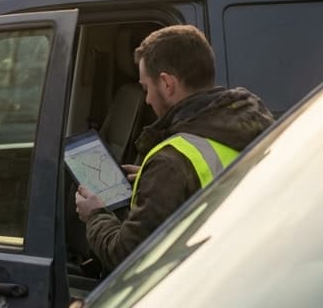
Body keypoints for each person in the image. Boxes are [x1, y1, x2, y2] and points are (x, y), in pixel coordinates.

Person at [75, 25, 273, 271]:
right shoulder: (253, 125)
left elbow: (127, 256)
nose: (147, 99)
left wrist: (95, 216)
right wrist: (152, 180)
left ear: (167, 84)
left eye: (146, 88)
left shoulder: (170, 164)